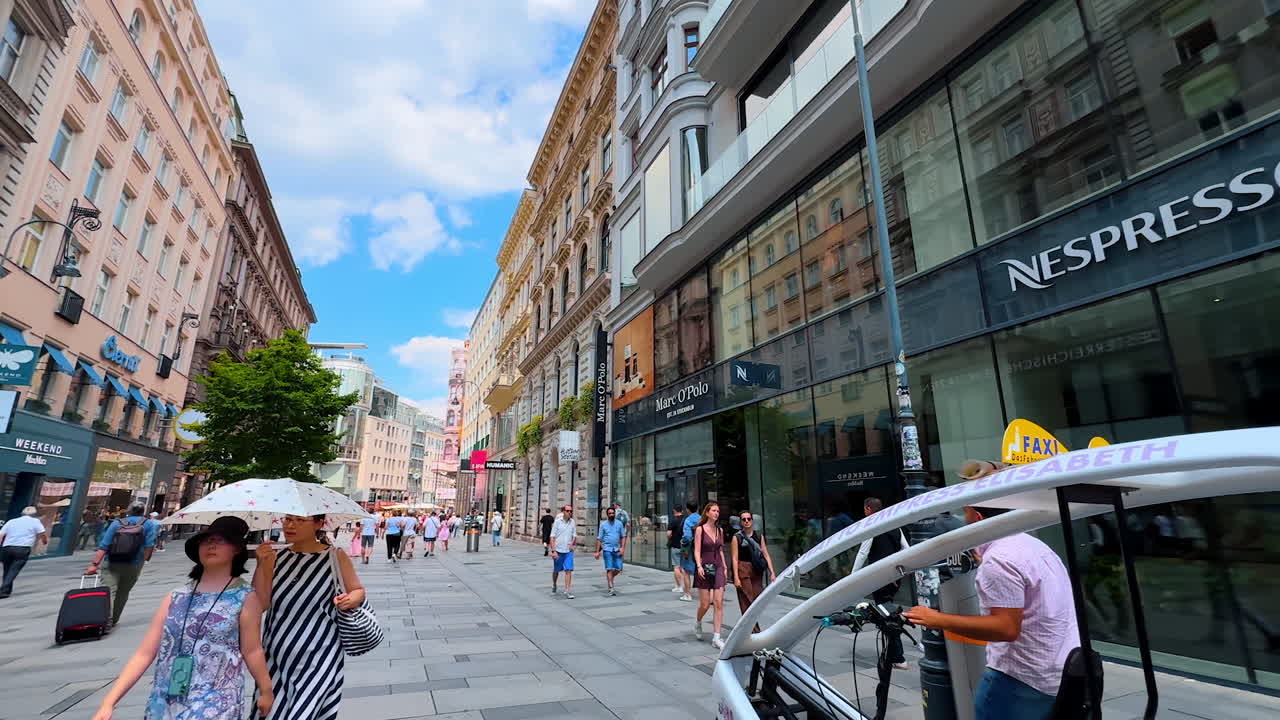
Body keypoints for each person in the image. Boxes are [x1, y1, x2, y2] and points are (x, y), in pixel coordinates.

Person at [904, 504, 1079, 720]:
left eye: (965, 513)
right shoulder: (1034, 545)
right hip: (1059, 670)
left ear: (978, 517)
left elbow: (1005, 628)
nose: (962, 520)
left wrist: (938, 619)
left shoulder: (998, 560)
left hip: (1020, 681)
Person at [91, 517, 272, 720]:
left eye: (221, 540)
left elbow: (252, 650)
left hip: (216, 702)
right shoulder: (176, 596)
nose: (211, 545)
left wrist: (266, 690)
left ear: (237, 549)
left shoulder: (245, 597)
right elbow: (144, 654)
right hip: (164, 700)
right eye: (206, 540)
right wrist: (109, 702)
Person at [253, 514, 365, 720]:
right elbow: (260, 603)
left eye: (299, 520)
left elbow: (357, 590)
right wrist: (261, 565)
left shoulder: (334, 556)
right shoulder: (275, 557)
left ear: (319, 524)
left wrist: (351, 599)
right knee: (272, 712)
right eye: (287, 519)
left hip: (320, 653)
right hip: (277, 652)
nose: (289, 525)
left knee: (305, 711)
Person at [850, 497, 911, 670]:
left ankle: (898, 657)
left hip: (879, 576)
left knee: (886, 614)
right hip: (893, 578)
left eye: (864, 509)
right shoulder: (893, 524)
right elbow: (906, 549)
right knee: (887, 610)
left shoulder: (872, 524)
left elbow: (863, 553)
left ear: (868, 509)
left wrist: (853, 576)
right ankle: (893, 653)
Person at [87, 503, 160, 626]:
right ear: (143, 512)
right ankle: (113, 619)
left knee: (109, 591)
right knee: (123, 592)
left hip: (112, 561)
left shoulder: (117, 523)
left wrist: (94, 564)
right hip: (134, 563)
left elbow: (104, 545)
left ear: (128, 511)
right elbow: (149, 545)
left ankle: (105, 620)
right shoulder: (148, 524)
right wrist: (144, 560)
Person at [730, 510, 775, 633]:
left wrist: (772, 572)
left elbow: (765, 554)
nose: (746, 521)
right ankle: (754, 631)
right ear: (740, 522)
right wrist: (736, 577)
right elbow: (734, 558)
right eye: (743, 519)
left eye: (748, 519)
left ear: (752, 521)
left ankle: (748, 628)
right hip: (742, 569)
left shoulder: (759, 536)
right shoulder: (737, 537)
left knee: (755, 600)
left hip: (756, 570)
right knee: (747, 599)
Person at [692, 502, 727, 649]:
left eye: (718, 511)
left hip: (718, 567)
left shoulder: (720, 531)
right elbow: (697, 550)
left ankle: (716, 637)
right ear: (707, 513)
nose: (716, 513)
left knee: (718, 603)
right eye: (714, 510)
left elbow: (720, 551)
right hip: (704, 567)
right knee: (705, 604)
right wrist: (699, 565)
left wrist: (725, 567)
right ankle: (698, 622)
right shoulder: (700, 529)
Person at [0, 506, 48, 598]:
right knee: (14, 570)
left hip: (7, 547)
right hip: (22, 548)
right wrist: (44, 541)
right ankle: (3, 589)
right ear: (34, 515)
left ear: (22, 514)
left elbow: (1, 535)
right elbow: (42, 533)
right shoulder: (35, 522)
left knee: (7, 569)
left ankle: (5, 591)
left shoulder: (12, 521)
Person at [594, 506, 628, 596]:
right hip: (607, 549)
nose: (611, 515)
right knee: (609, 568)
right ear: (607, 515)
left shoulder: (619, 524)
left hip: (617, 549)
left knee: (618, 568)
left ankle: (610, 578)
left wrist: (623, 548)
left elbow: (623, 536)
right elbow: (599, 539)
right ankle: (611, 587)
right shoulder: (603, 525)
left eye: (613, 513)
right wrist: (597, 551)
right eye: (610, 513)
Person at [549, 505, 577, 599]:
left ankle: (567, 590)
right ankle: (554, 584)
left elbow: (574, 535)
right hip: (558, 550)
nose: (569, 513)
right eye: (567, 511)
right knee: (556, 570)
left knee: (568, 570)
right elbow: (552, 537)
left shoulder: (572, 522)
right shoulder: (557, 522)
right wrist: (553, 551)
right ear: (563, 512)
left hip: (568, 551)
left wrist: (572, 543)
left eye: (571, 511)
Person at [667, 504, 691, 601]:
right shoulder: (686, 520)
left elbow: (669, 534)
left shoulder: (673, 521)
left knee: (676, 566)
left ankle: (679, 586)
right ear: (682, 510)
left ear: (674, 510)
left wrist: (670, 537)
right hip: (685, 547)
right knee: (683, 567)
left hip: (676, 546)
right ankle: (686, 587)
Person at [681, 502, 700, 585]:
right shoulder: (701, 518)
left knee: (686, 571)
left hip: (690, 548)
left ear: (688, 509)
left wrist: (682, 541)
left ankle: (687, 594)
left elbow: (687, 537)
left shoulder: (688, 520)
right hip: (702, 546)